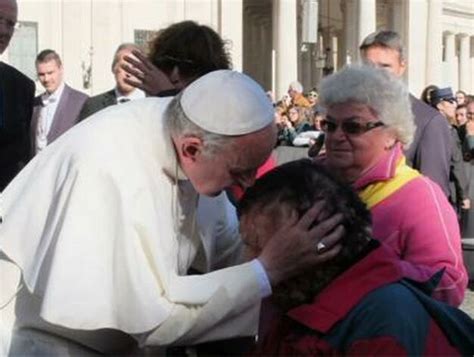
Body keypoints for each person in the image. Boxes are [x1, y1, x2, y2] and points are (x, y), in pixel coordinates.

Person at [0, 70, 343, 355]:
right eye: (240, 171)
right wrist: (268, 270)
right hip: (45, 343)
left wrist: (287, 251)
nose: (249, 182)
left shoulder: (198, 144)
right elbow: (151, 318)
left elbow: (228, 248)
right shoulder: (110, 169)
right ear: (191, 149)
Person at [238, 159, 474, 356]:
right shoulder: (296, 303)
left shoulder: (382, 322)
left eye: (258, 246)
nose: (252, 261)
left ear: (319, 240)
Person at [315, 64, 467, 306]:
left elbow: (449, 285)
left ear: (391, 133)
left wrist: (371, 270)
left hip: (372, 338)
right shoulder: (307, 179)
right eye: (330, 125)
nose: (336, 135)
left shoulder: (419, 197)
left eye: (353, 126)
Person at [359, 30, 452, 198]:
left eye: (385, 67)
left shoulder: (428, 122)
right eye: (368, 66)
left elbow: (433, 196)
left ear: (402, 67)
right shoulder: (348, 113)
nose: (375, 74)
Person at [0, 0, 35, 191]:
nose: (4, 31)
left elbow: (22, 157)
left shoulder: (22, 87)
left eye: (11, 24)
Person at [30, 49, 88, 155]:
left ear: (61, 69)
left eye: (50, 73)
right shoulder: (33, 104)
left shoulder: (81, 101)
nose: (46, 79)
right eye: (41, 74)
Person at [425, 86, 469, 215]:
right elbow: (456, 164)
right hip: (446, 190)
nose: (454, 105)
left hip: (424, 190)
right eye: (450, 101)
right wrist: (464, 195)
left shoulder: (424, 126)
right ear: (440, 105)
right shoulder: (448, 130)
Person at [78, 43, 145, 121]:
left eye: (134, 67)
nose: (128, 73)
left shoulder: (155, 104)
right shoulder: (93, 106)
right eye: (124, 67)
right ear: (113, 69)